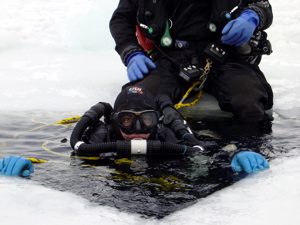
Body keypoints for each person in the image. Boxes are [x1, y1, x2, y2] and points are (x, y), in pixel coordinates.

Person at [0, 86, 269, 177]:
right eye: (127, 121)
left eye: (146, 120)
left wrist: (234, 158)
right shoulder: (99, 138)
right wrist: (27, 164)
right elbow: (60, 158)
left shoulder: (166, 137)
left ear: (158, 121)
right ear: (114, 122)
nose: (138, 130)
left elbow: (206, 153)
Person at [109, 0, 274, 122]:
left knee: (249, 99)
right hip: (170, 57)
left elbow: (262, 5)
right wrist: (130, 52)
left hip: (224, 53)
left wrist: (252, 16)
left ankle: (248, 152)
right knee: (137, 104)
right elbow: (121, 19)